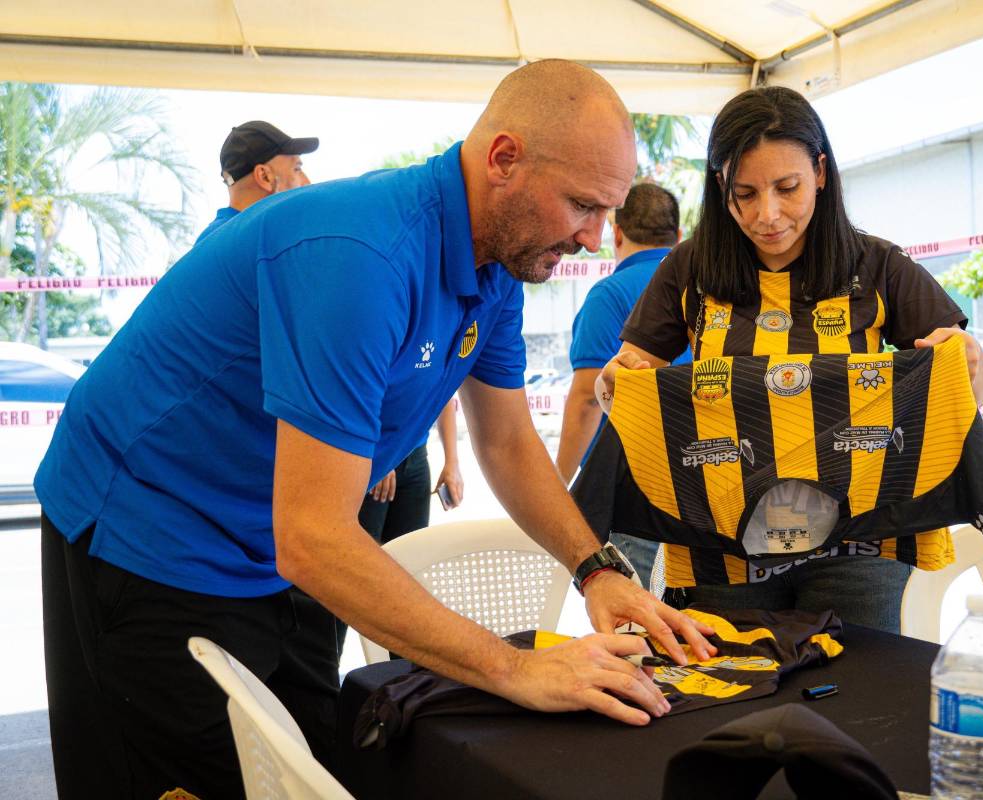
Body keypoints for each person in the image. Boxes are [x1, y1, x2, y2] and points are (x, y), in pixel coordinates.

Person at [36, 60, 714, 800]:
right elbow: (315, 535)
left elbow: (508, 441)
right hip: (147, 533)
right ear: (503, 160)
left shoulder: (500, 266)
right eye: (582, 205)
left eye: (607, 212)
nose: (593, 238)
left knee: (323, 764)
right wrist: (515, 667)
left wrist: (596, 569)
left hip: (267, 550)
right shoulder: (362, 258)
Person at [596, 86, 983, 633]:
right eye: (745, 194)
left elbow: (974, 380)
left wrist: (969, 361)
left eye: (788, 188)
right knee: (730, 695)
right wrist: (616, 382)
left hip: (858, 546)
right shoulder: (688, 269)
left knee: (858, 700)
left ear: (822, 173)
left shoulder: (876, 265)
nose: (768, 214)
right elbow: (623, 375)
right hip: (722, 549)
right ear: (720, 188)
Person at [556, 182, 683, 586]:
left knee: (637, 627)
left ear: (617, 233)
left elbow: (586, 401)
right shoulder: (706, 290)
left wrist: (559, 485)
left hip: (637, 488)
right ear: (678, 237)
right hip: (706, 487)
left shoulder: (609, 295)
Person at [196, 120, 318, 243]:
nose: (307, 183)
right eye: (297, 169)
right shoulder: (254, 244)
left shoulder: (215, 241)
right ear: (264, 176)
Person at [360, 399, 463, 543]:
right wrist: (383, 454)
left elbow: (445, 397)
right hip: (372, 455)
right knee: (365, 550)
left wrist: (452, 462)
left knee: (412, 550)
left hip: (416, 458)